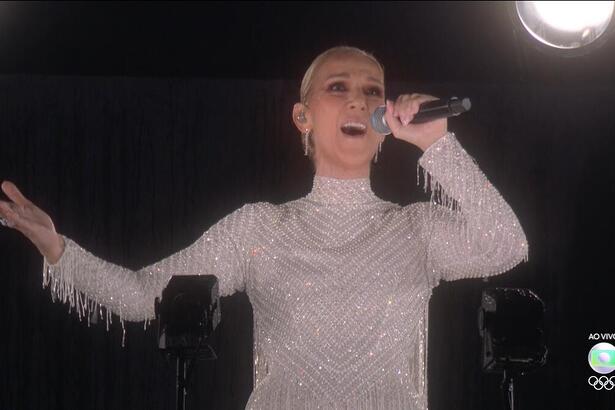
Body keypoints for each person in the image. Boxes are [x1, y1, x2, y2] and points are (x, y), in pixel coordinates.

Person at [0, 46, 528, 410]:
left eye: (373, 92)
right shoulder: (260, 227)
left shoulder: (417, 230)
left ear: (388, 120)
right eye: (338, 87)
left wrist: (437, 144)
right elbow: (142, 296)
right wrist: (57, 246)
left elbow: (506, 245)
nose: (358, 101)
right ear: (303, 117)